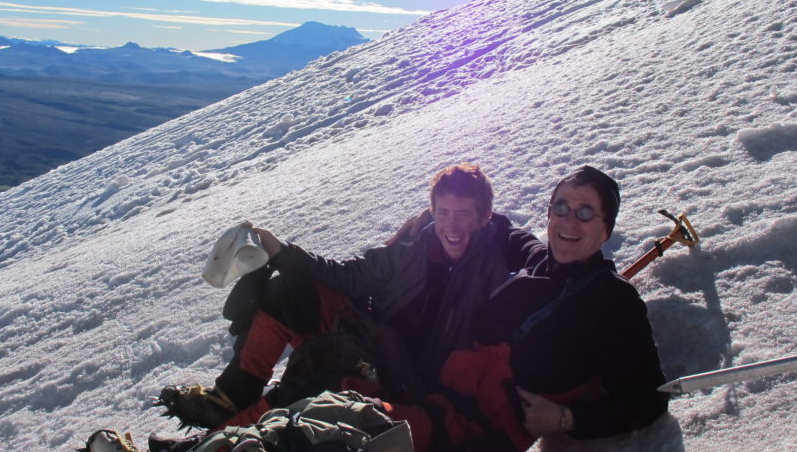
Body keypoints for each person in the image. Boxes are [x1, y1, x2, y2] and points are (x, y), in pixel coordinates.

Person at [157, 163, 539, 429]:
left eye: (463, 214)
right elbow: (350, 277)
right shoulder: (413, 246)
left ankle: (215, 450)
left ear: (484, 217)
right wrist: (281, 254)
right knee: (290, 291)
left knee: (315, 386)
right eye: (443, 213)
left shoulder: (494, 270)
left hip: (406, 382)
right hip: (371, 340)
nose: (451, 226)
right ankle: (230, 399)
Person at [383, 165, 669, 452]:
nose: (569, 220)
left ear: (606, 230)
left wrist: (566, 418)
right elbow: (502, 230)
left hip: (469, 434)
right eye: (561, 207)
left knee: (357, 438)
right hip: (430, 389)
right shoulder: (540, 261)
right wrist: (437, 216)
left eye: (586, 213)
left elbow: (651, 398)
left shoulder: (616, 301)